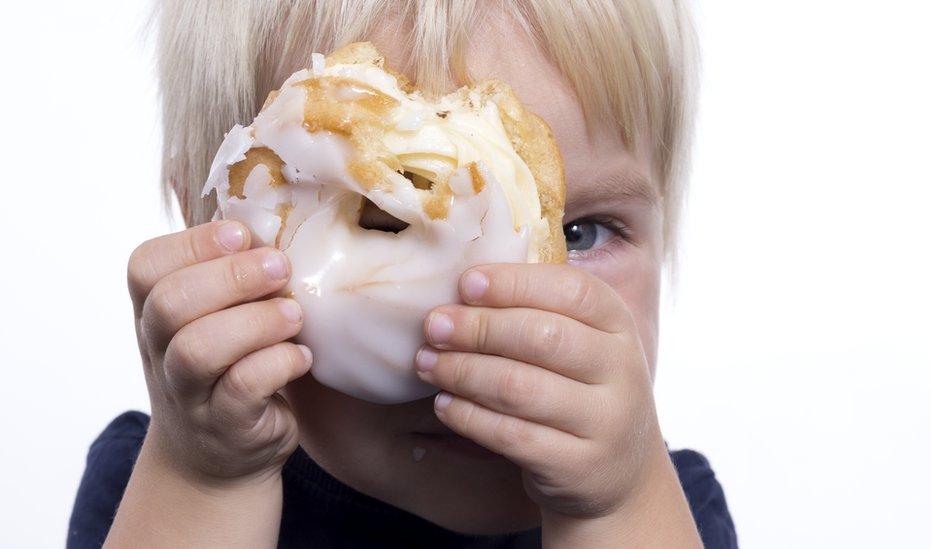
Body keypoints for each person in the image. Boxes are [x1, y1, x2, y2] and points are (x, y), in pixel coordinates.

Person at [69, 1, 736, 547]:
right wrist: (206, 484)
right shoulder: (159, 481)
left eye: (576, 234)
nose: (473, 319)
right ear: (205, 235)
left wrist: (616, 511)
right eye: (384, 222)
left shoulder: (666, 507)